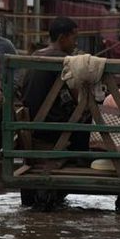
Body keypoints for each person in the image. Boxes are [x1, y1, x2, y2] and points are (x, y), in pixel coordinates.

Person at [20, 17, 89, 151]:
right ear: (62, 38)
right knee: (89, 122)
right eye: (74, 39)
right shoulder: (62, 60)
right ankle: (83, 160)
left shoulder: (36, 54)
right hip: (48, 127)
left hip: (32, 122)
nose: (76, 44)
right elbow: (79, 99)